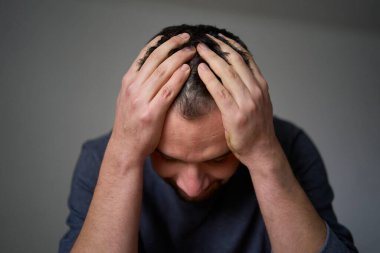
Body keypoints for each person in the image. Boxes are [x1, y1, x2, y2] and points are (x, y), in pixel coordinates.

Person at [59, 24, 358, 253]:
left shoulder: (289, 148)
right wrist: (123, 156)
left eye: (218, 158)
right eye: (168, 157)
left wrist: (265, 155)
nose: (192, 186)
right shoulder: (102, 159)